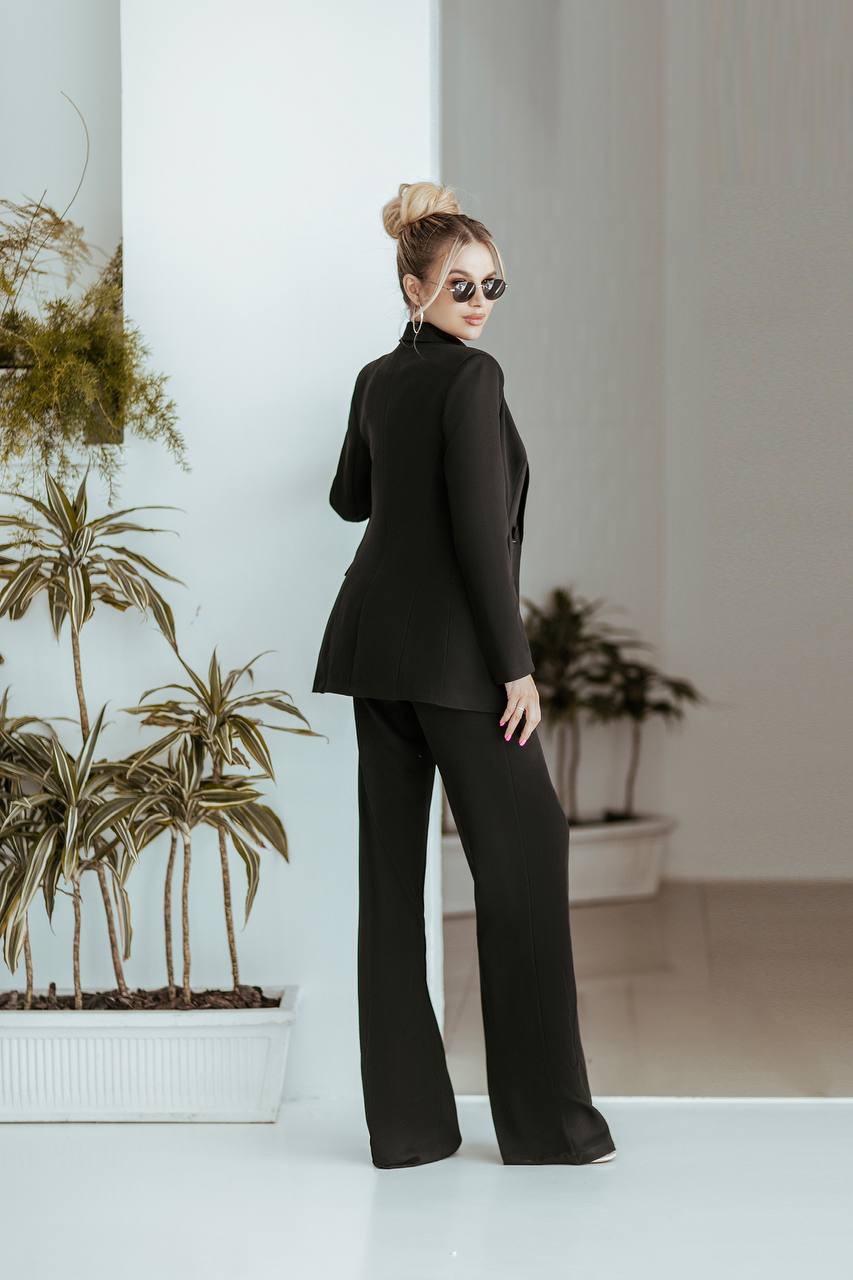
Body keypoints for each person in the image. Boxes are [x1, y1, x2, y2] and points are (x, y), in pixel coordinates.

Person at [312, 180, 616, 1169]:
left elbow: (348, 499)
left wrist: (384, 422)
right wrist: (515, 670)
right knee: (526, 855)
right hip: (454, 664)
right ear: (414, 289)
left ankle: (407, 1129)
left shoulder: (375, 377)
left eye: (492, 283)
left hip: (371, 655)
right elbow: (483, 539)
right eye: (458, 285)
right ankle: (547, 1126)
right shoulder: (471, 384)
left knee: (391, 887)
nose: (479, 302)